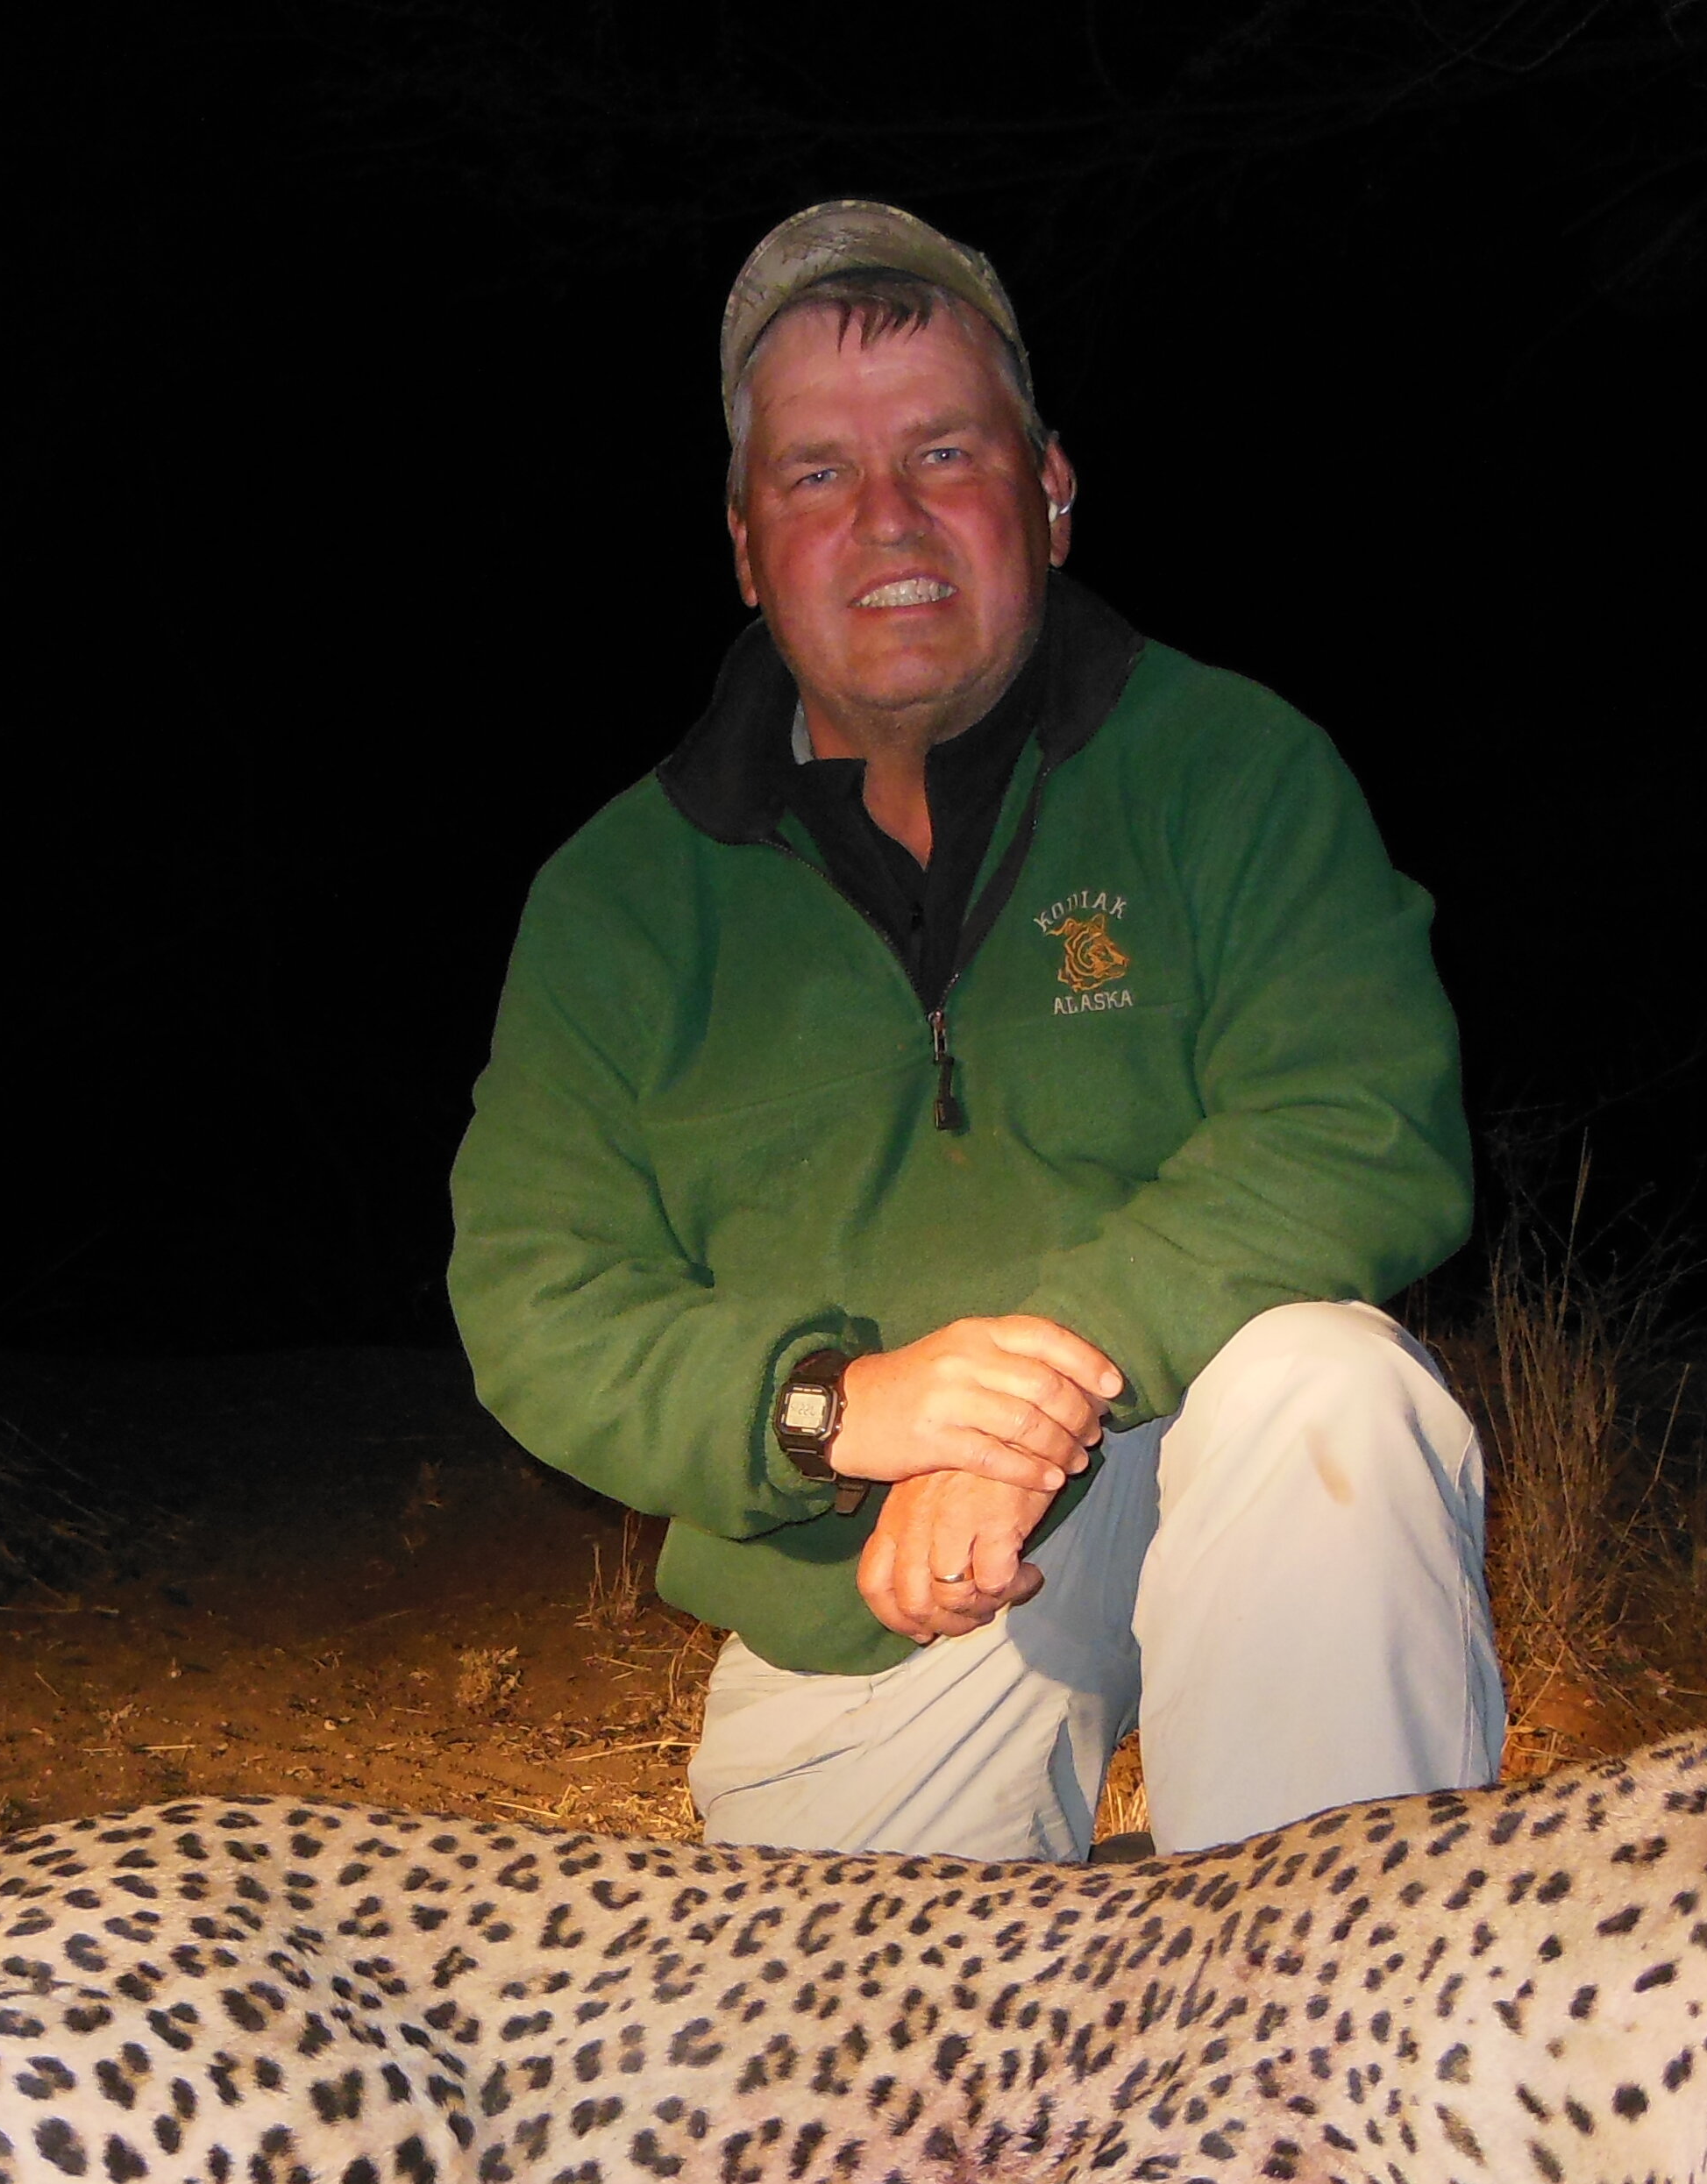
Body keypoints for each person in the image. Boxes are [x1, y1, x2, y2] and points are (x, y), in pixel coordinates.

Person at [449, 201, 1502, 1861]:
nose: (887, 517)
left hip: (1186, 1434)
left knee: (1333, 1396)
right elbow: (531, 1292)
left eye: (942, 451)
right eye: (815, 473)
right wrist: (832, 1408)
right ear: (743, 543)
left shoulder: (1235, 769)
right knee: (835, 2113)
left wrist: (1028, 1396)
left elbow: (1358, 1121)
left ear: (1049, 493)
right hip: (872, 1580)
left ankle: (1332, 2043)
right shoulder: (618, 898)